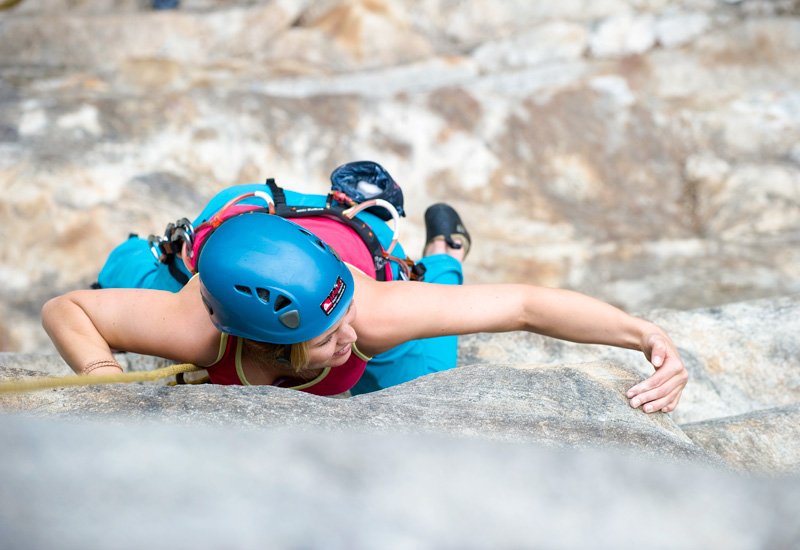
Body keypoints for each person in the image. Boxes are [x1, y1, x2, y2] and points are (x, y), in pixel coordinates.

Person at [41, 171, 688, 413]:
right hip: (256, 256)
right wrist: (102, 377)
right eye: (326, 338)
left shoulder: (369, 314)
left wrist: (644, 335)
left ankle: (441, 252)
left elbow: (523, 305)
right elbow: (65, 308)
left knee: (431, 365)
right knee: (128, 270)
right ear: (261, 342)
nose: (348, 336)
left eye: (341, 319)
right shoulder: (193, 328)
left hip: (344, 256)